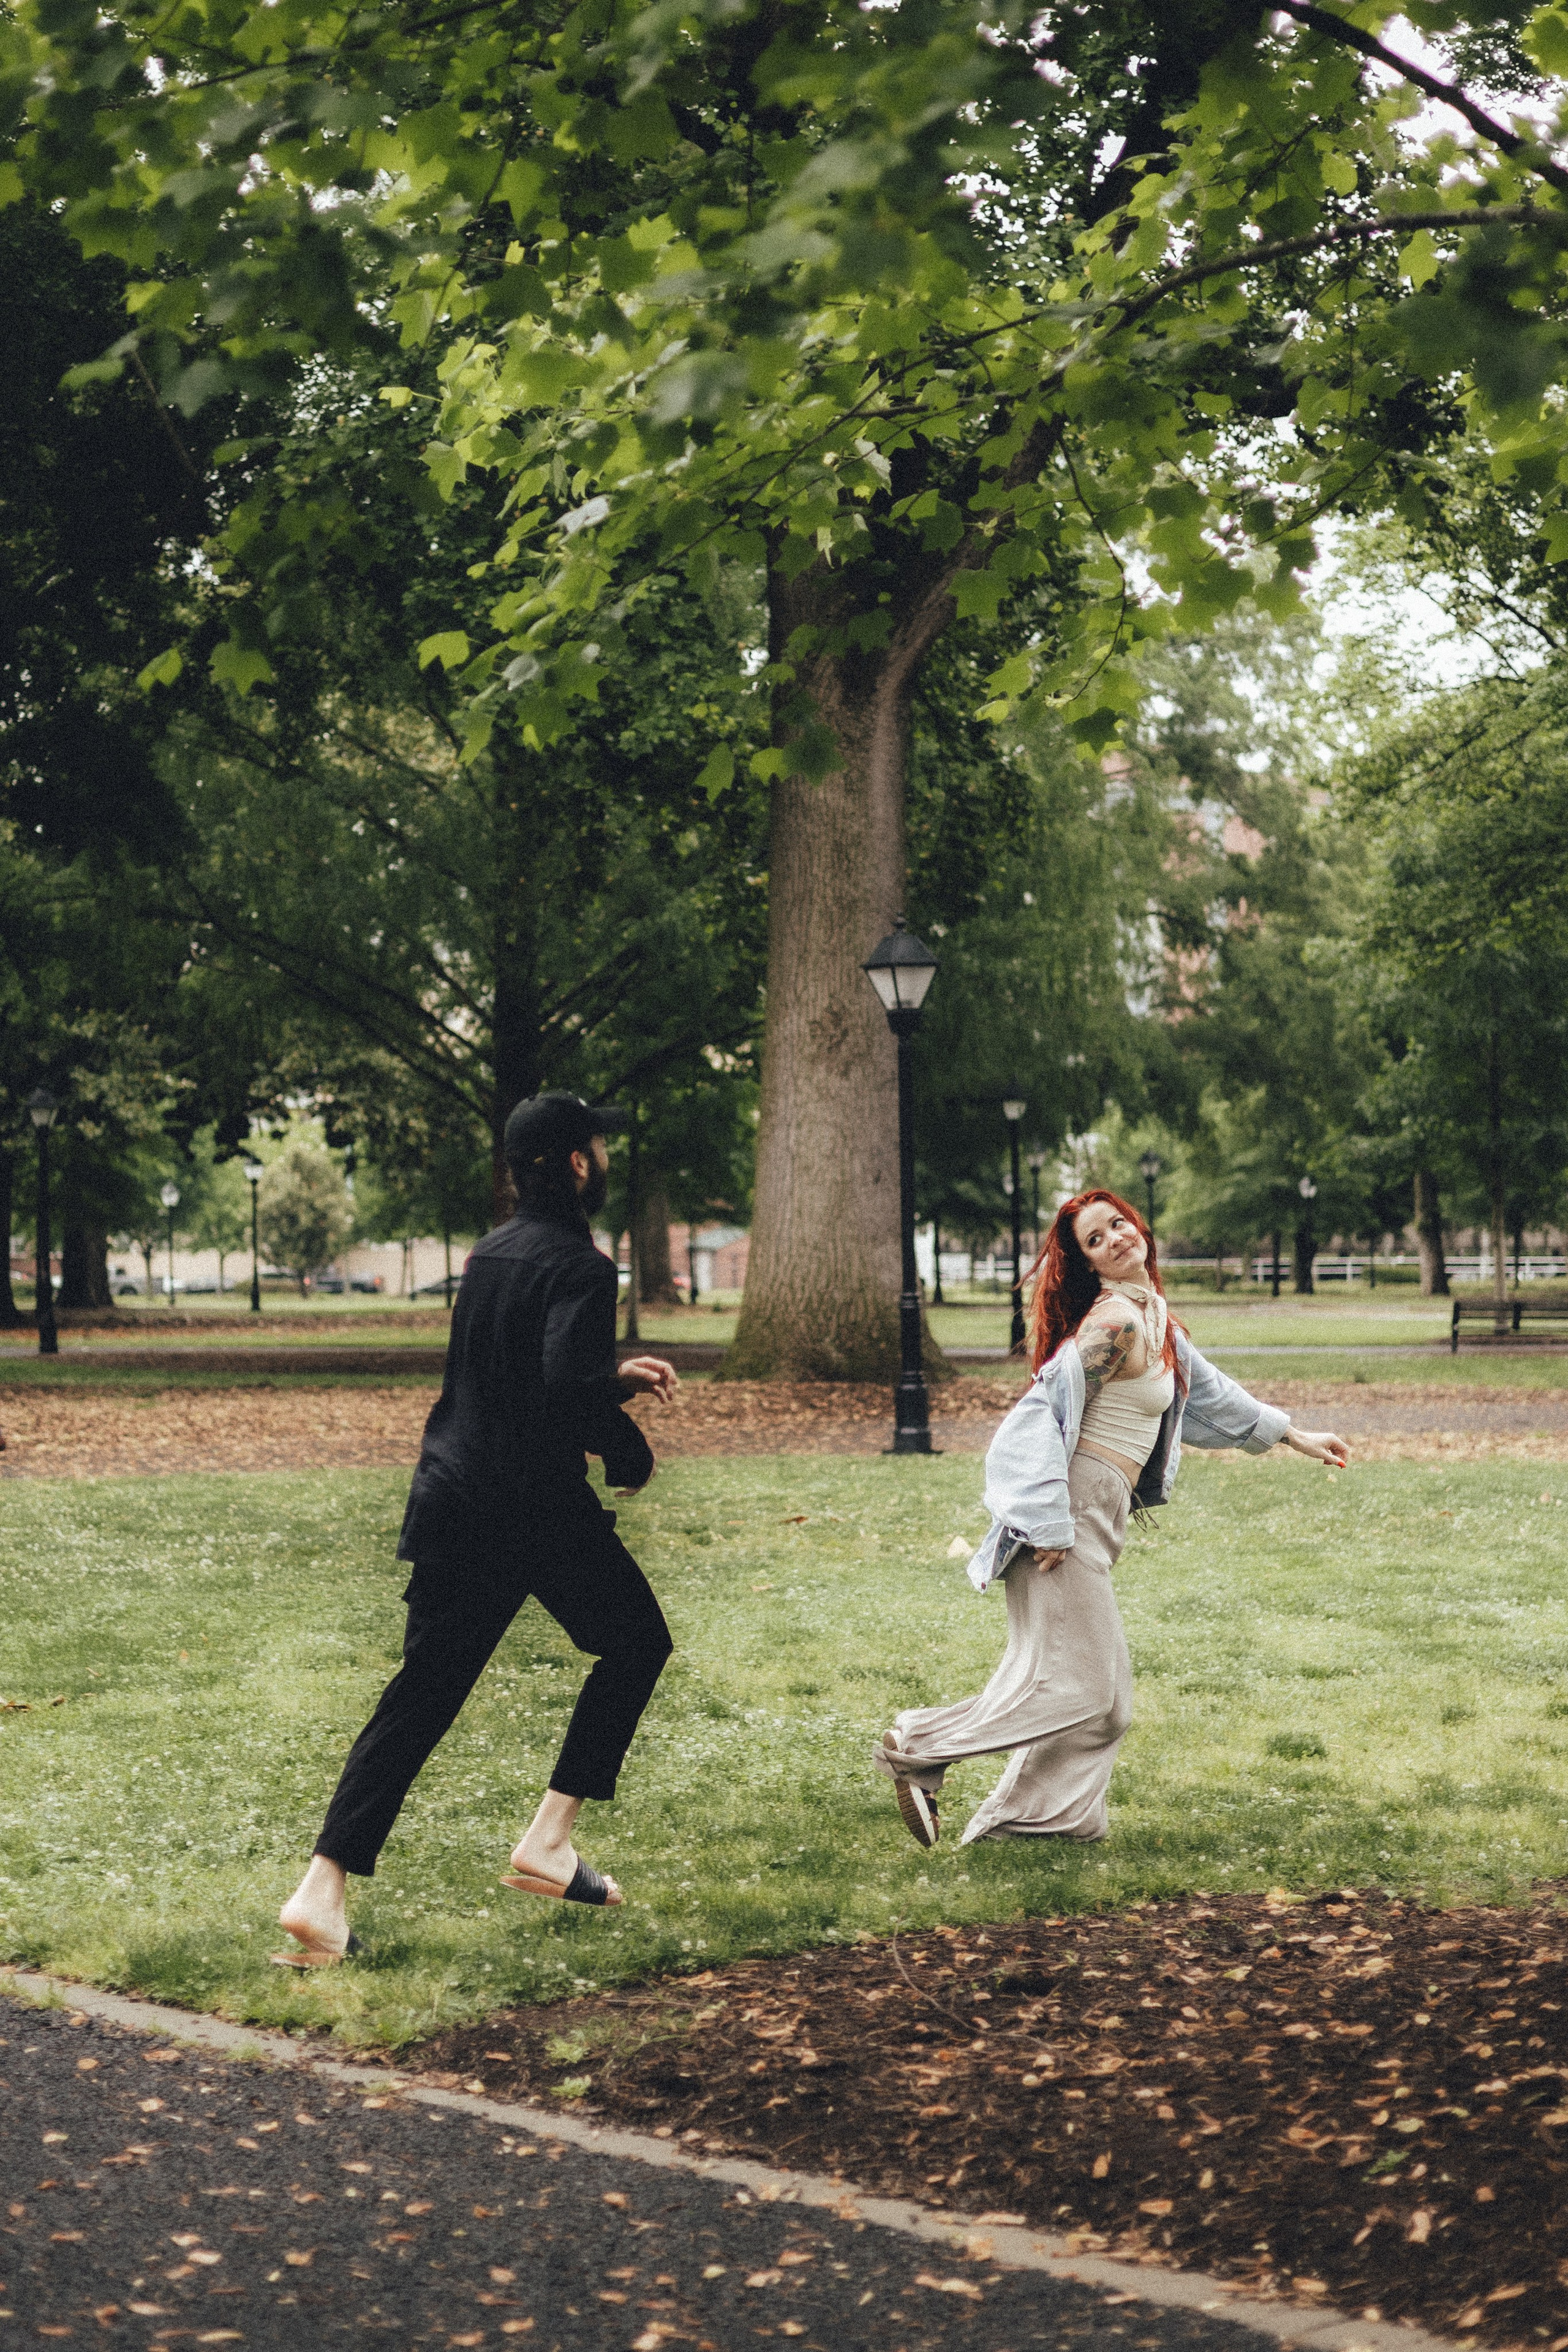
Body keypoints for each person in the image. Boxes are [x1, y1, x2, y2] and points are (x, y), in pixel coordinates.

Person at [274, 1093, 679, 1965]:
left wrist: (610, 1378)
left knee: (420, 1696)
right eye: (597, 1145)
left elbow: (521, 1373)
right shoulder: (579, 1263)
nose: (602, 1157)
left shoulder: (490, 1254)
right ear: (575, 1163)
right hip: (529, 1508)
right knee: (638, 1642)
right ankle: (547, 1844)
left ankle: (322, 1891)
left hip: (453, 1496)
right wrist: (626, 1447)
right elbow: (556, 1392)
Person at [873, 1188, 1348, 1850]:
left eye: (1117, 1225)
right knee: (1081, 1689)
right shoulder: (1113, 1325)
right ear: (1089, 1263)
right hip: (1062, 1517)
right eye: (1095, 1240)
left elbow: (1211, 1395)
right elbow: (1031, 1421)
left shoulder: (1154, 1320)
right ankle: (921, 1744)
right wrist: (1046, 1522)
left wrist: (1295, 1436)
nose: (1115, 1239)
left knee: (1106, 1702)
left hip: (1097, 1513)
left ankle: (1040, 1826)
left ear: (1137, 1227)